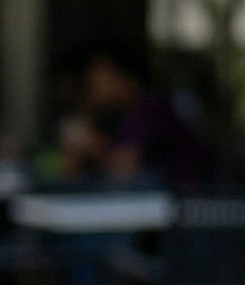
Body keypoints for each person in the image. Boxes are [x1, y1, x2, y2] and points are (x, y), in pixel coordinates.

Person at [56, 41, 216, 187]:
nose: (94, 90)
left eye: (99, 83)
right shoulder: (113, 115)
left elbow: (123, 172)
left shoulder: (150, 109)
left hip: (183, 206)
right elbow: (68, 177)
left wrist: (91, 145)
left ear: (126, 79)